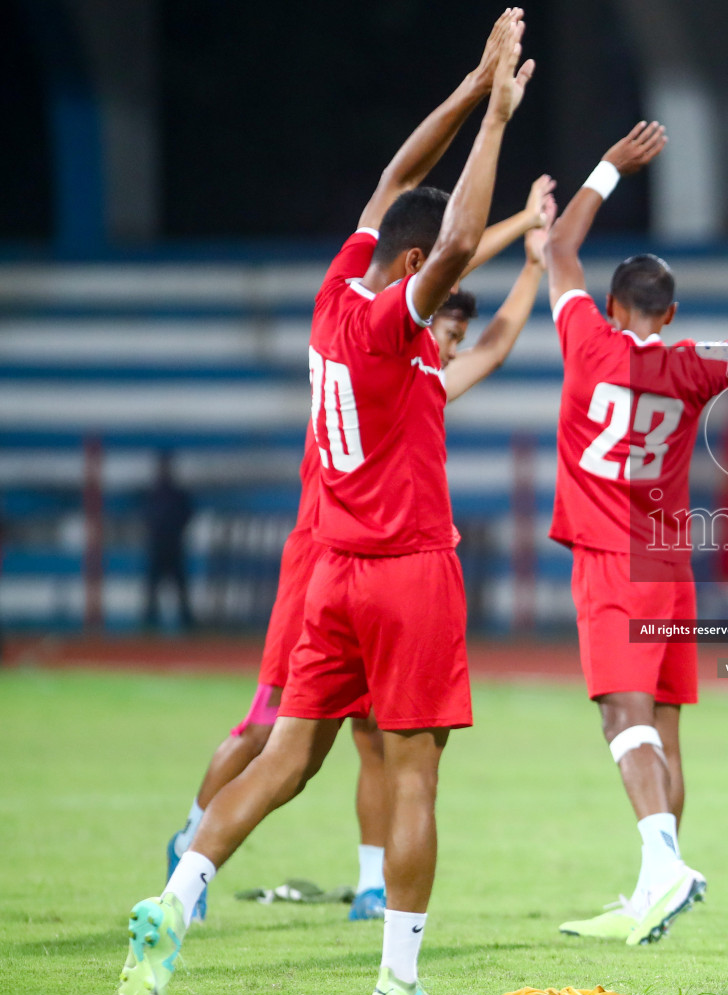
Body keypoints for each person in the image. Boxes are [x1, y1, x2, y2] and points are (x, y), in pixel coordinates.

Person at [118, 10, 535, 995]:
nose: (449, 282)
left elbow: (395, 181)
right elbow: (461, 232)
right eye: (436, 273)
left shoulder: (333, 289)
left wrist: (470, 83)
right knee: (416, 776)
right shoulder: (395, 321)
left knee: (288, 758)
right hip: (407, 570)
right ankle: (398, 982)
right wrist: (498, 120)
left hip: (333, 576)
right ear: (409, 270)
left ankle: (178, 895)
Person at [162, 170, 554, 925]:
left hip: (342, 564)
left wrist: (529, 253)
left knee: (349, 745)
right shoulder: (388, 343)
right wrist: (493, 111)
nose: (449, 334)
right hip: (346, 558)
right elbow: (448, 253)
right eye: (445, 323)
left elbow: (438, 259)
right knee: (272, 733)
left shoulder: (347, 317)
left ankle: (343, 882)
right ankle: (190, 841)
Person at [544, 122, 728, 945]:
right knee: (665, 723)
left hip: (610, 560)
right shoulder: (693, 361)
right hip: (668, 564)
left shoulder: (587, 341)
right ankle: (651, 889)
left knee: (620, 717)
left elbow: (561, 250)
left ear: (610, 306)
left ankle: (663, 863)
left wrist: (607, 167)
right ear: (670, 314)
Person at [142, 450, 194, 630]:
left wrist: (175, 529)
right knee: (152, 588)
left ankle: (187, 623)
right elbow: (146, 517)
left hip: (174, 546)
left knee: (180, 587)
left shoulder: (177, 495)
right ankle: (149, 622)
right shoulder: (152, 494)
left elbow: (187, 515)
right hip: (157, 547)